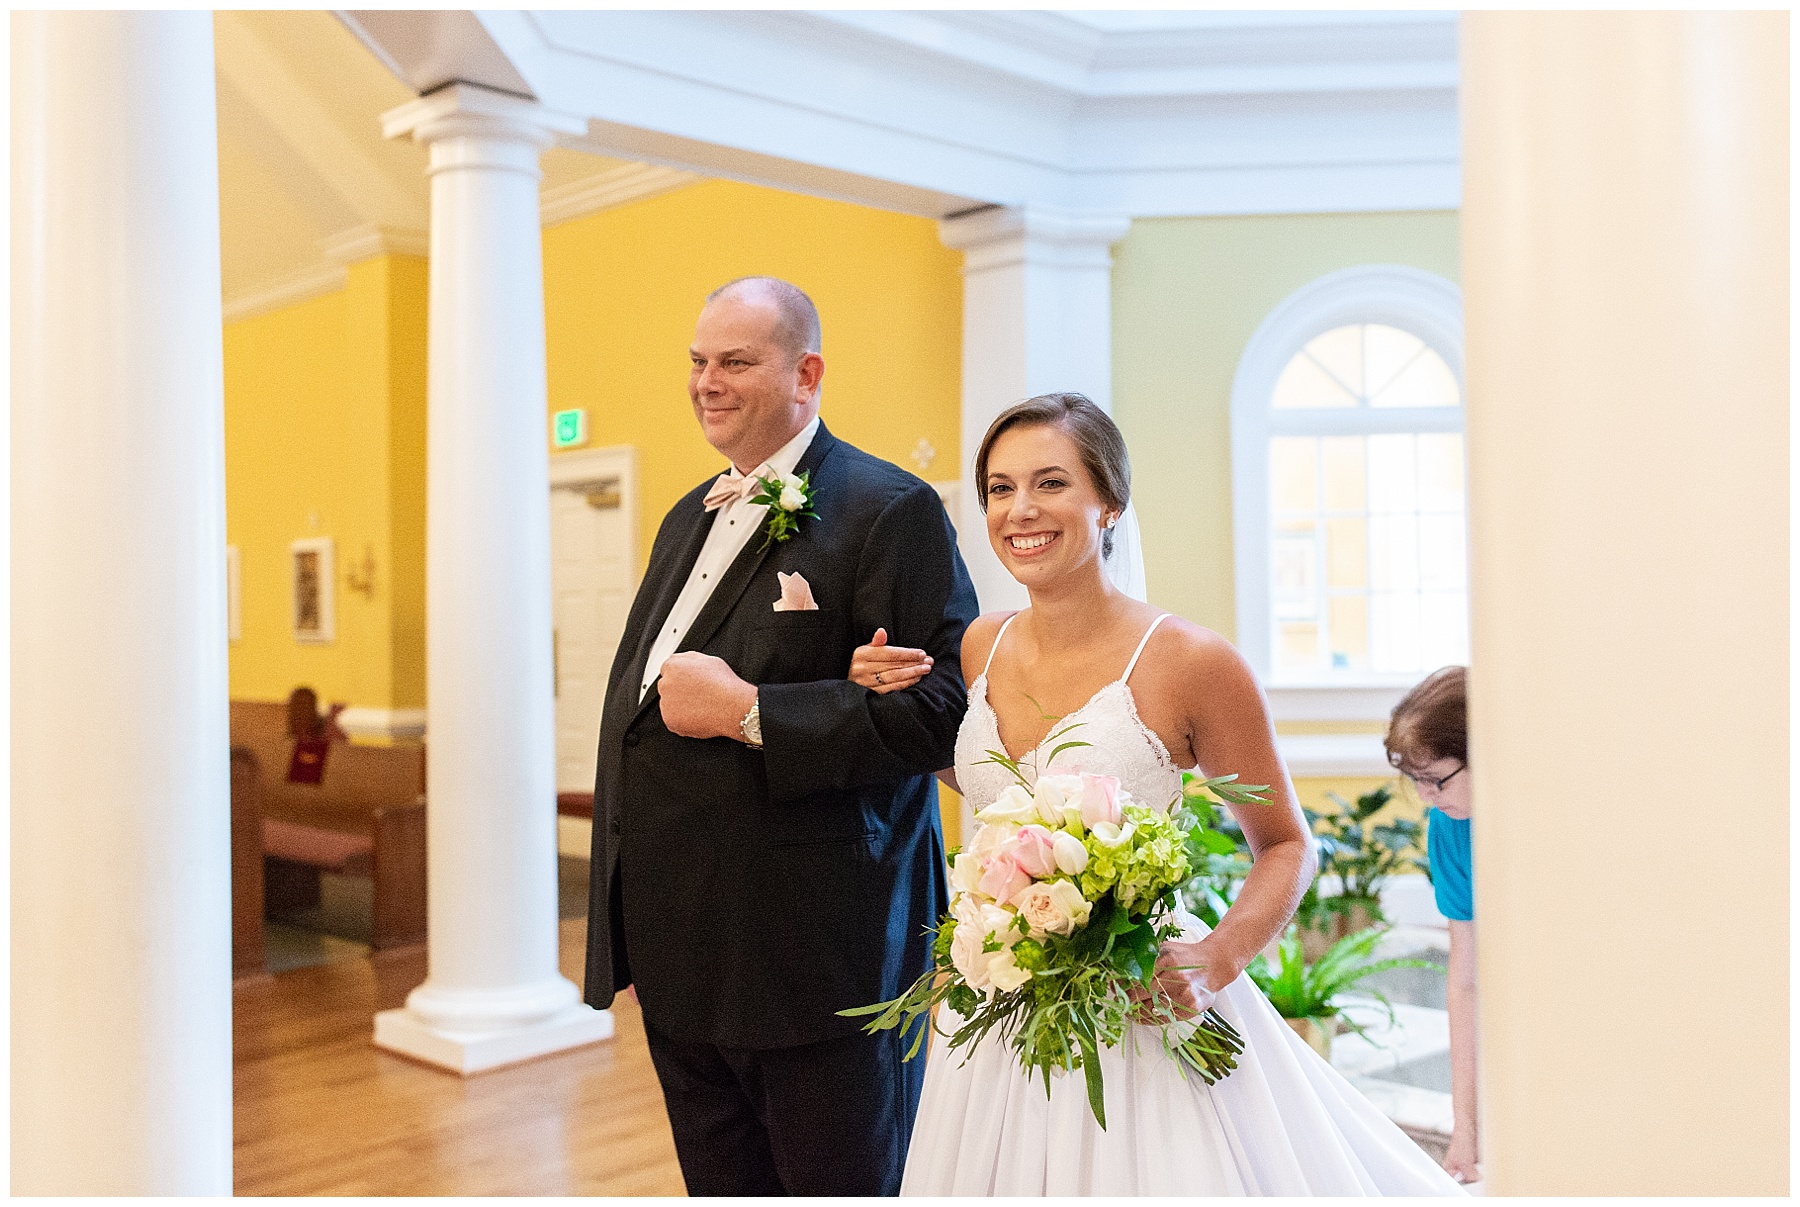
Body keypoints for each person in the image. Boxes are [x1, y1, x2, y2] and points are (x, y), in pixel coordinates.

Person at [849, 393, 1463, 1195]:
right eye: (999, 488)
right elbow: (1006, 790)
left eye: (1050, 483)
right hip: (999, 1010)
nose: (1020, 510)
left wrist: (1215, 959)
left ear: (1108, 501)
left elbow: (1287, 844)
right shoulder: (978, 644)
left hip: (1144, 1005)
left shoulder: (1192, 661)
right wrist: (893, 706)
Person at [582, 276, 979, 1196]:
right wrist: (627, 930)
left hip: (818, 960)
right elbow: (636, 725)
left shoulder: (889, 508)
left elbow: (940, 713)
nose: (706, 381)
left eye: (734, 361)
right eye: (697, 361)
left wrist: (751, 711)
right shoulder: (690, 513)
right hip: (689, 954)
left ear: (807, 372)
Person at [1387, 666, 1479, 1185]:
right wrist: (1464, 1135)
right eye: (1414, 780)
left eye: (1435, 779)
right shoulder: (1448, 827)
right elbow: (1465, 980)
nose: (1425, 795)